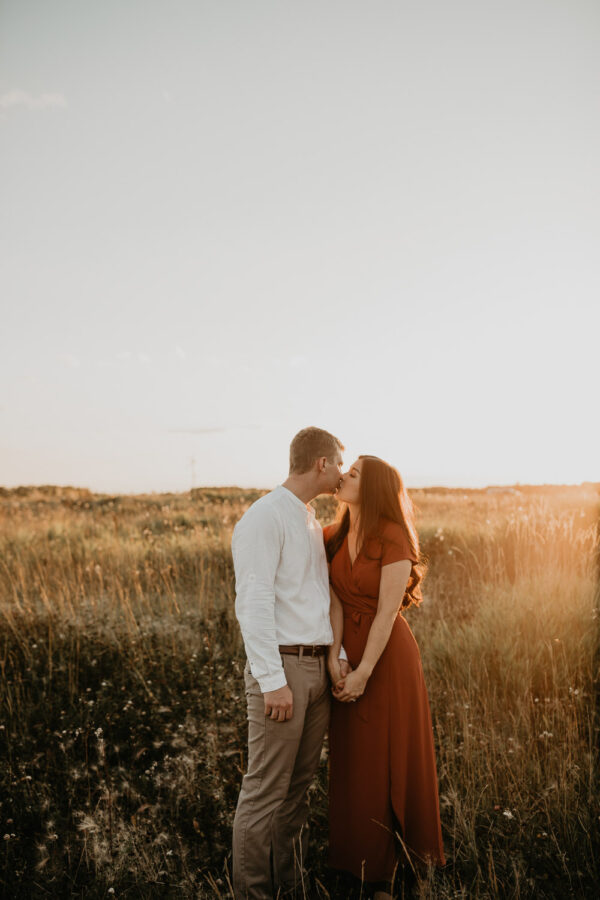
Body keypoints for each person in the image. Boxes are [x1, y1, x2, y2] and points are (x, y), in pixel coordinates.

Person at [231, 426, 349, 899]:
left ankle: (290, 887)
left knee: (296, 795)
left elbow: (317, 599)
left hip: (315, 670)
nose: (343, 471)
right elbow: (253, 602)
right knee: (264, 793)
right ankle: (253, 893)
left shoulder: (306, 518)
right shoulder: (266, 516)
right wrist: (271, 681)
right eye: (340, 461)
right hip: (282, 672)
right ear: (322, 462)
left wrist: (334, 658)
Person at [324, 455, 446, 899]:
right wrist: (336, 657)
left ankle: (395, 872)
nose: (342, 476)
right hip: (346, 652)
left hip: (387, 659)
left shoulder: (393, 536)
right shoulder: (334, 535)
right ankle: (363, 862)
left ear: (373, 488)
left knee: (392, 757)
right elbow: (334, 601)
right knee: (358, 762)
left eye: (353, 473)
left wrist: (364, 672)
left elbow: (387, 611)